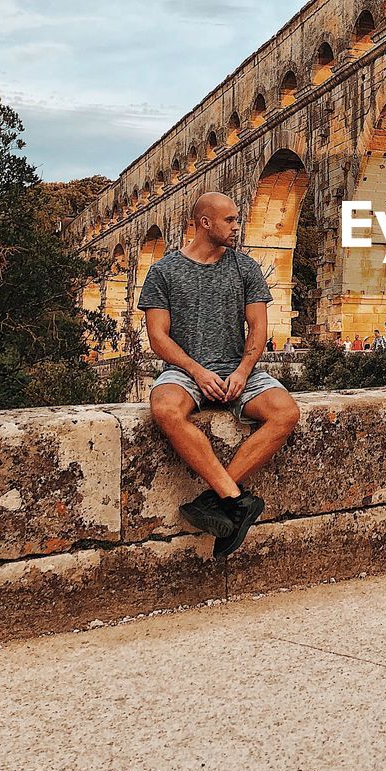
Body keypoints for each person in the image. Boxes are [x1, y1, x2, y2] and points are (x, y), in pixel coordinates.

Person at [137, 192, 300, 558]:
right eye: (230, 220)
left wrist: (244, 371)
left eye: (239, 219)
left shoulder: (245, 267)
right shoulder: (163, 271)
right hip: (184, 370)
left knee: (286, 412)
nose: (238, 226)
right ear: (204, 222)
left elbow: (258, 328)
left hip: (238, 369)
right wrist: (196, 370)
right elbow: (157, 338)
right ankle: (236, 499)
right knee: (164, 409)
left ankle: (220, 498)